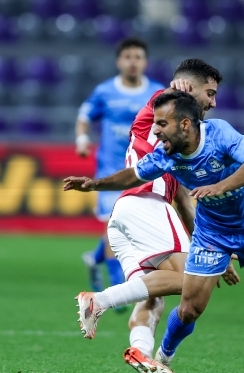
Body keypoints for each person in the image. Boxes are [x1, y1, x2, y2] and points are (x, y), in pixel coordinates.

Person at [63, 91, 244, 373]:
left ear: (184, 124)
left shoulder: (218, 133)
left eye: (162, 124)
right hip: (200, 227)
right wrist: (95, 184)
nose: (156, 130)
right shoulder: (166, 154)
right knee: (190, 299)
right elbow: (134, 175)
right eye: (155, 123)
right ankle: (160, 354)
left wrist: (220, 187)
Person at [68, 60, 239, 373]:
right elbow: (163, 99)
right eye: (210, 93)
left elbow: (185, 204)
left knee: (151, 297)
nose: (213, 102)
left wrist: (213, 250)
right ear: (189, 88)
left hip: (124, 217)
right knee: (191, 283)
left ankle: (143, 355)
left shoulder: (177, 144)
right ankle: (100, 300)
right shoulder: (160, 107)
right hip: (147, 204)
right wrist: (175, 90)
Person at [75, 37, 164, 296]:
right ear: (119, 61)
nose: (133, 62)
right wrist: (82, 139)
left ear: (145, 62)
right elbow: (83, 117)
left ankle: (95, 259)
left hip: (144, 170)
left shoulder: (158, 93)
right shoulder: (104, 91)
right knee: (114, 223)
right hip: (110, 170)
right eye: (128, 57)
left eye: (138, 57)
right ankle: (117, 285)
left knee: (131, 227)